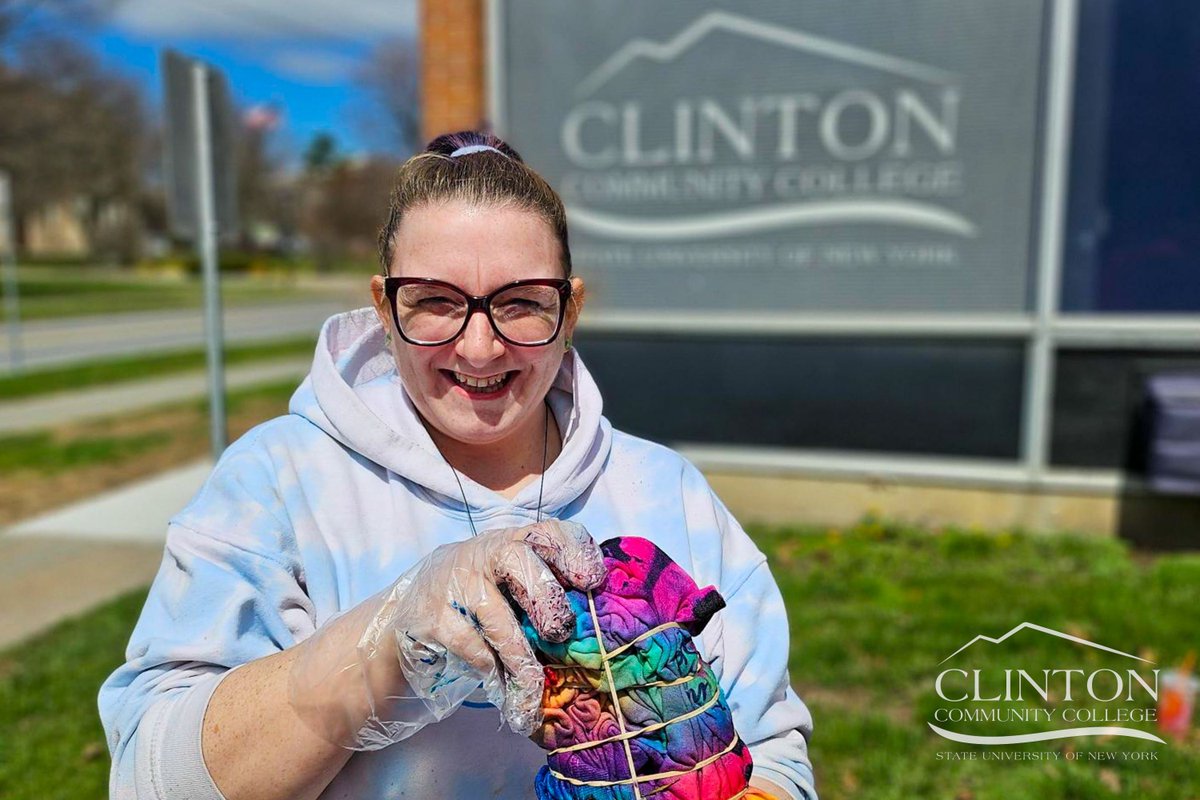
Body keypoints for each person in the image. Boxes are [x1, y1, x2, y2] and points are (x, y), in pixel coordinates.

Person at [98, 131, 817, 800]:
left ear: (569, 311)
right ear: (384, 306)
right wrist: (385, 649)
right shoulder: (279, 482)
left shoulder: (666, 492)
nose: (480, 348)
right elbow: (148, 777)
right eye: (436, 302)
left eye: (522, 303)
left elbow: (772, 748)